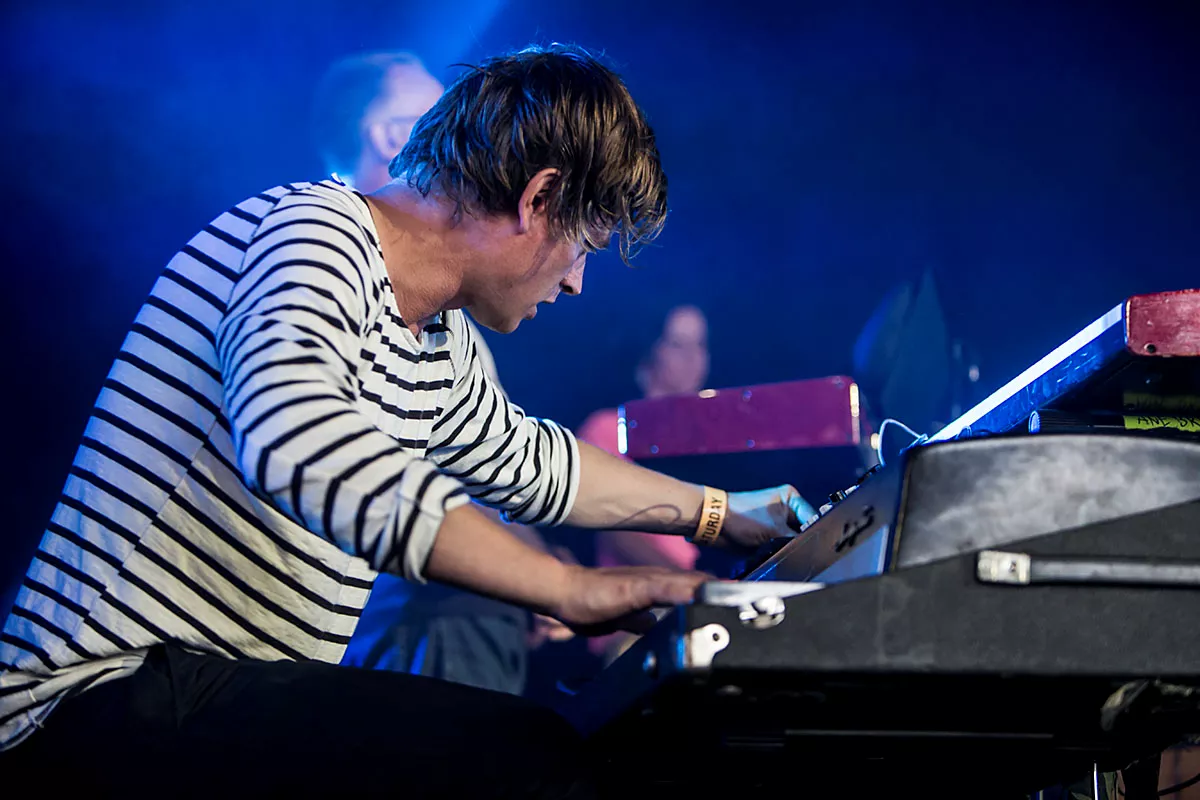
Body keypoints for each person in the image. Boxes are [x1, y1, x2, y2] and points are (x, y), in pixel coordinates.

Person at [0, 44, 809, 797]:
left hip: (207, 695)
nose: (576, 284)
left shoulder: (440, 342)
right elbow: (296, 441)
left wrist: (721, 514)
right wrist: (571, 588)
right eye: (585, 246)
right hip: (91, 697)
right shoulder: (316, 232)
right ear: (538, 198)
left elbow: (533, 462)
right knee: (532, 759)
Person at [311, 49, 570, 695]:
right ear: (391, 135)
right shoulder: (324, 243)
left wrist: (709, 512)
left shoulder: (445, 315)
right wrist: (551, 581)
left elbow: (502, 459)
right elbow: (325, 458)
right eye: (444, 111)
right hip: (419, 615)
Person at [577, 304, 711, 662]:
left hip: (691, 609)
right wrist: (693, 585)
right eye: (678, 344)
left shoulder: (704, 441)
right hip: (633, 623)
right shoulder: (607, 428)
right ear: (651, 351)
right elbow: (613, 529)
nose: (694, 358)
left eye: (701, 345)